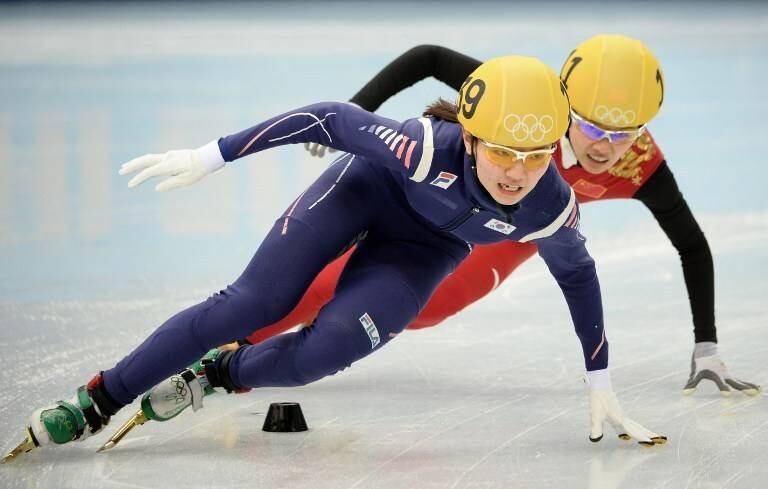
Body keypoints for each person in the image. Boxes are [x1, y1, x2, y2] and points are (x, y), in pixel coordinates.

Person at [6, 55, 663, 463]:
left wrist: (600, 381)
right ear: (470, 136)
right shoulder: (420, 148)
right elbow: (326, 118)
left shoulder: (549, 206)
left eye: (535, 155)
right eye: (501, 153)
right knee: (253, 303)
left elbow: (578, 275)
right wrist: (210, 155)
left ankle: (220, 374)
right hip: (362, 195)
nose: (517, 173)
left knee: (325, 351)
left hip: (426, 249)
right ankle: (97, 398)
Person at [237, 35, 760, 397]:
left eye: (622, 134)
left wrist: (707, 346)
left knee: (429, 308)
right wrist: (359, 110)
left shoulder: (642, 165)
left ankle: (307, 334)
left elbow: (691, 244)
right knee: (320, 274)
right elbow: (429, 57)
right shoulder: (525, 104)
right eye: (591, 129)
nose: (606, 148)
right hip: (429, 194)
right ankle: (234, 348)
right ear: (563, 110)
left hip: (509, 236)